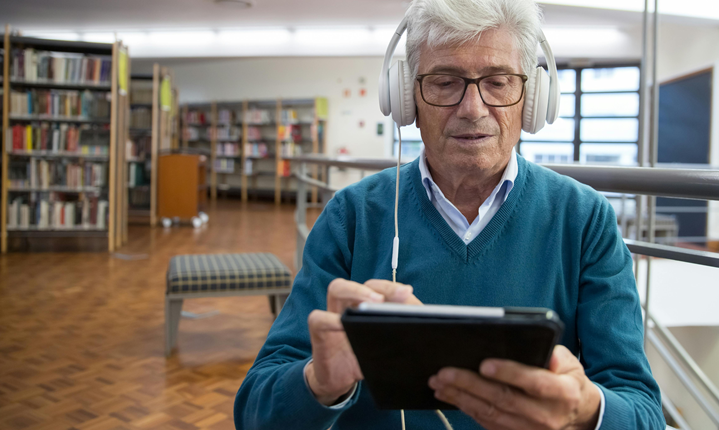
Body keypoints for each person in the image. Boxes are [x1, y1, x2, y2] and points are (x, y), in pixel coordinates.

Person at [234, 0, 664, 428]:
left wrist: (586, 411)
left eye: (497, 82)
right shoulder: (351, 217)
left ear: (530, 100)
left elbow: (643, 412)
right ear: (408, 100)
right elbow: (254, 411)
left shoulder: (584, 219)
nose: (473, 108)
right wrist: (318, 384)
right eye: (444, 82)